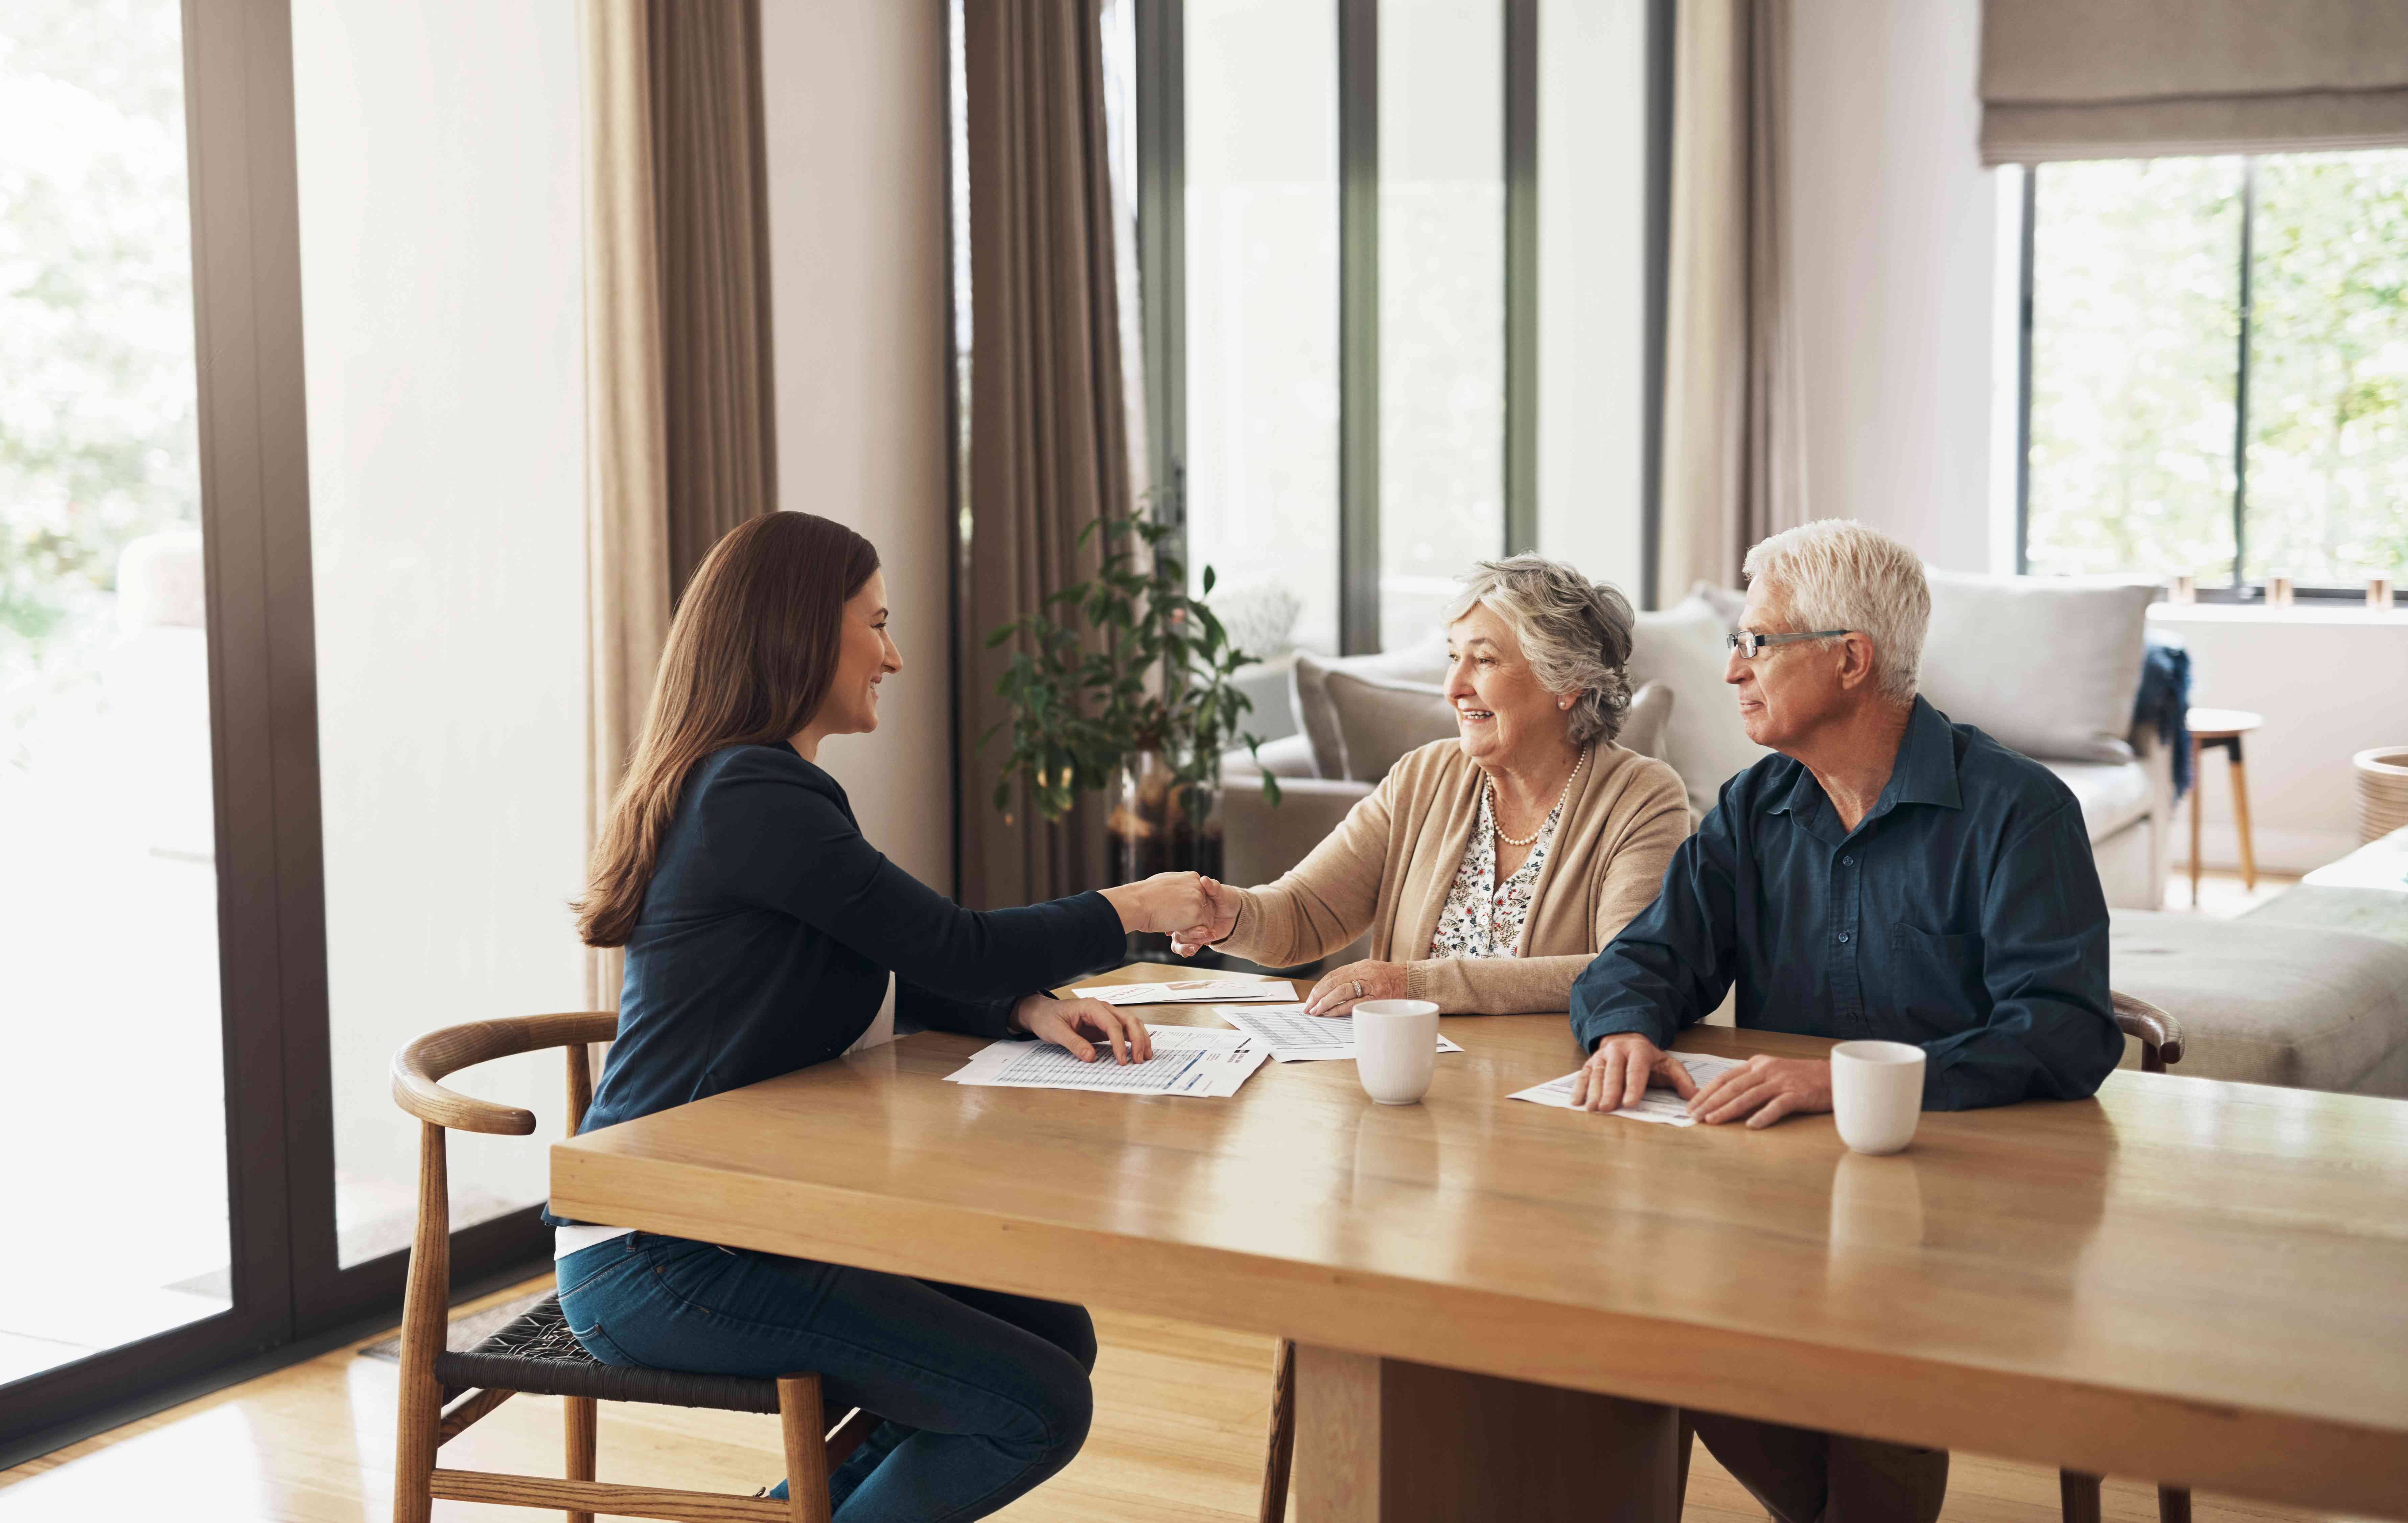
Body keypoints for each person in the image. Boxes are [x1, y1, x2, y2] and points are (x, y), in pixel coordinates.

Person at [553, 512, 1220, 1522]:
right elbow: (952, 940)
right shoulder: (753, 794)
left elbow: (896, 963)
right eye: (877, 624)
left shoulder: (756, 787)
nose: (895, 656)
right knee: (1030, 1404)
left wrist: (1025, 1004)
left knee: (1055, 1338)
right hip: (667, 1251)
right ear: (800, 632)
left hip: (738, 1226)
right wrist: (1131, 910)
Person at [1567, 519, 2123, 1523]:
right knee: (1639, 1318)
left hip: (1970, 1205)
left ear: (1852, 661)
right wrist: (1626, 1027)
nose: (1733, 670)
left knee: (1879, 1341)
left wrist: (1848, 1081)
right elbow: (1646, 959)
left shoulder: (2019, 811)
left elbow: (2065, 1030)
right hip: (1787, 1197)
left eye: (1757, 643)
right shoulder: (1751, 808)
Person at [1172, 556, 1691, 1015]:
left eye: (1484, 660)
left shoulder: (1642, 797)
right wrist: (1231, 915)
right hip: (1410, 1084)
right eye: (1453, 657)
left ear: (1568, 682)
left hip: (1549, 1088)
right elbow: (1308, 912)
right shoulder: (1422, 777)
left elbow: (1628, 969)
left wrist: (1413, 983)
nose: (1453, 687)